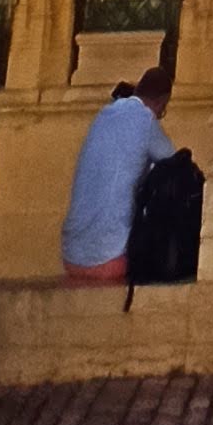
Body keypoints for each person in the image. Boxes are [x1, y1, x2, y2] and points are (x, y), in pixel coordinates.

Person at [59, 65, 175, 283]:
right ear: (162, 101)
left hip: (70, 256)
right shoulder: (146, 120)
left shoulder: (104, 114)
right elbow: (175, 164)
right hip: (110, 259)